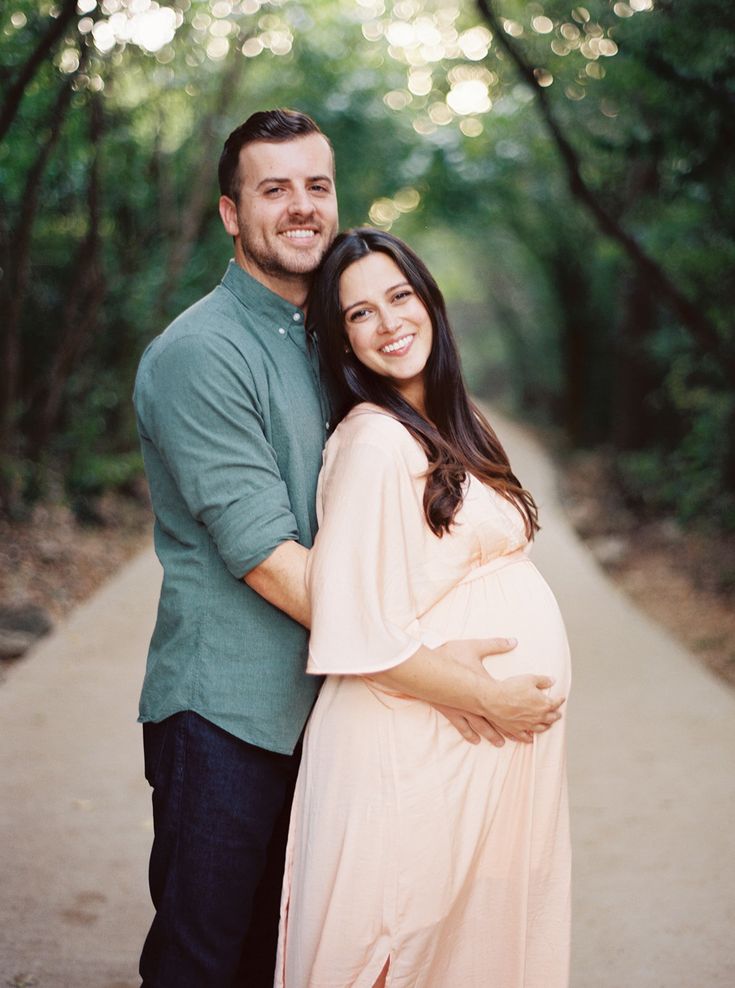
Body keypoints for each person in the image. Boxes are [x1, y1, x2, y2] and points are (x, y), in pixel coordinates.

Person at [134, 108, 562, 988]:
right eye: (273, 189)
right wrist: (449, 680)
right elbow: (269, 561)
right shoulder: (201, 353)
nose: (300, 206)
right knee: (209, 959)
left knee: (298, 955)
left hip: (347, 716)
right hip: (234, 714)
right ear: (229, 212)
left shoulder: (334, 344)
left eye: (316, 186)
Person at [275, 229, 572, 988]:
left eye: (399, 297)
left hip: (453, 745)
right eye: (360, 314)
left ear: (429, 302)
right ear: (342, 343)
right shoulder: (373, 441)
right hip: (406, 746)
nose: (389, 323)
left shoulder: (449, 424)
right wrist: (485, 694)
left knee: (447, 952)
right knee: (392, 946)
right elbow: (350, 627)